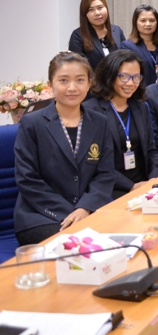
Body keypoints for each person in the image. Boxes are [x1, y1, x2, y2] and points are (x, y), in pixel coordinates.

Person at [13, 52, 115, 245]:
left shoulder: (100, 122)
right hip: (42, 216)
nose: (72, 87)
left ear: (89, 83)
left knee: (123, 236)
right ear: (50, 85)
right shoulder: (32, 123)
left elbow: (105, 174)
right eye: (63, 80)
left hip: (87, 211)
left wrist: (84, 208)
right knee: (81, 245)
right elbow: (27, 178)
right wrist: (71, 212)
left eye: (80, 80)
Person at [83, 50, 158, 199]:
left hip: (144, 184)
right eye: (124, 77)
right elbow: (96, 163)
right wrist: (131, 186)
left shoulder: (140, 107)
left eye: (136, 77)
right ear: (109, 76)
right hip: (113, 188)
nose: (130, 83)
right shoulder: (91, 111)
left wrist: (154, 178)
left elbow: (151, 150)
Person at [68, 0, 126, 72]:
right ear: (85, 14)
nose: (97, 13)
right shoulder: (77, 35)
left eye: (100, 8)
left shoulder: (117, 30)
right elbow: (77, 67)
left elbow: (126, 59)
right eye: (91, 10)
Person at [121, 4, 158, 90]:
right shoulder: (128, 46)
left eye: (152, 20)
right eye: (143, 21)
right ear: (135, 22)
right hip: (141, 91)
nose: (148, 24)